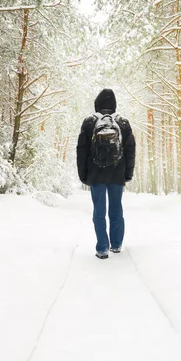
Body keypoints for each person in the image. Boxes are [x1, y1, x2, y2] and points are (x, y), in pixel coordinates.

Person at [76, 88, 135, 259]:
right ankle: (116, 245)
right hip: (117, 174)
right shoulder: (123, 123)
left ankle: (102, 248)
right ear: (114, 104)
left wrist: (83, 175)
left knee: (99, 212)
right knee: (116, 210)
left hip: (96, 175)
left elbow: (82, 151)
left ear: (97, 103)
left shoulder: (89, 122)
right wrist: (128, 174)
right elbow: (130, 151)